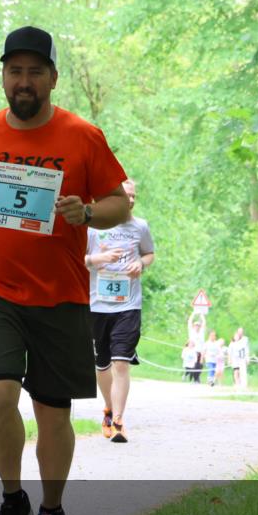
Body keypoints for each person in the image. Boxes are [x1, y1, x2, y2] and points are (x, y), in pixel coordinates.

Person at [0, 26, 130, 515]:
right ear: (4, 76)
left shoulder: (82, 135)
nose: (23, 82)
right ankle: (11, 499)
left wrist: (88, 211)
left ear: (52, 77)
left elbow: (120, 202)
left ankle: (51, 512)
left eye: (34, 72)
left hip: (61, 293)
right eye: (14, 71)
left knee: (53, 413)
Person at [84, 178, 155, 443]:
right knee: (102, 365)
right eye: (126, 195)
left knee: (121, 362)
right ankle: (109, 408)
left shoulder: (140, 227)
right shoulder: (92, 226)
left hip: (128, 305)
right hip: (97, 305)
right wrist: (98, 259)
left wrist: (141, 263)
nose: (131, 200)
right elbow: (79, 260)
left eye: (134, 196)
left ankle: (119, 422)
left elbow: (149, 253)